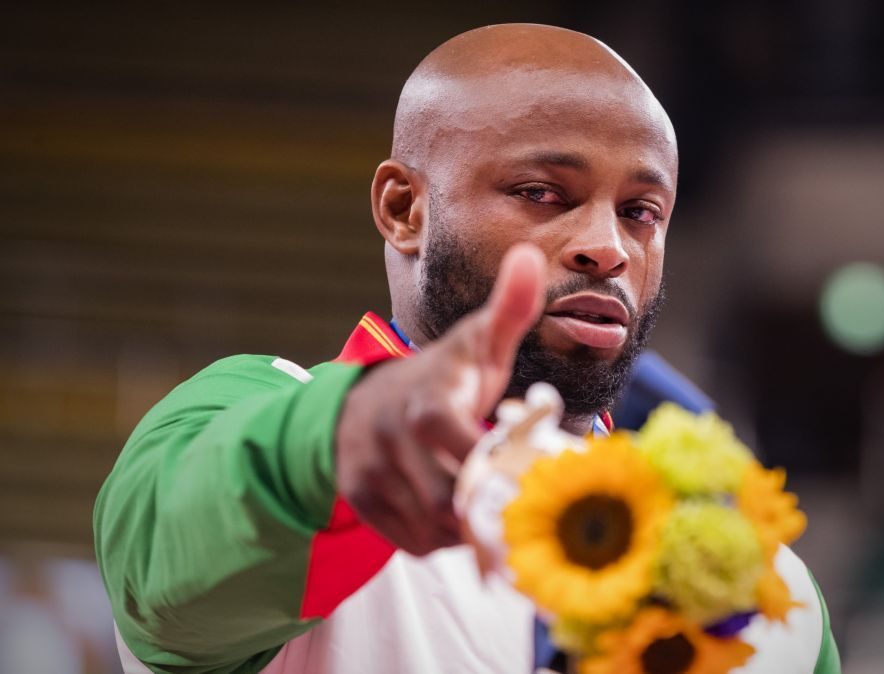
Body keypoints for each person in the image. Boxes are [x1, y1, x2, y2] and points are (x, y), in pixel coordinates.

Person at [94, 23, 841, 674]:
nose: (607, 248)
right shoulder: (267, 419)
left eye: (640, 212)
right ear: (403, 208)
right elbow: (169, 571)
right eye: (541, 192)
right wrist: (337, 441)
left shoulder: (762, 574)